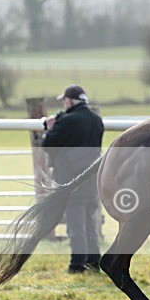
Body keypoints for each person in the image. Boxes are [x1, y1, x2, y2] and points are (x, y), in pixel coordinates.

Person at [41, 84, 105, 273]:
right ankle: (94, 263)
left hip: (71, 180)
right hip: (91, 179)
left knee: (76, 225)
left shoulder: (68, 122)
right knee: (90, 225)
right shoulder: (97, 120)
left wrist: (50, 127)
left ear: (69, 101)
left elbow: (47, 144)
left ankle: (77, 265)